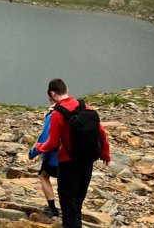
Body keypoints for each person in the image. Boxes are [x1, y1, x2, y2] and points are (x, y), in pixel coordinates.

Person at [33, 79, 111, 228]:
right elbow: (101, 132)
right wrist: (105, 153)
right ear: (66, 89)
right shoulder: (83, 106)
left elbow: (53, 143)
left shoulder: (57, 114)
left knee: (68, 204)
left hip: (68, 163)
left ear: (53, 94)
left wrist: (38, 148)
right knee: (78, 204)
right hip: (87, 161)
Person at [28, 100, 60, 218]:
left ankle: (52, 208)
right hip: (74, 158)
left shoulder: (52, 115)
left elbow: (44, 137)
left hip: (54, 157)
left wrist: (33, 153)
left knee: (43, 175)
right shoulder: (75, 112)